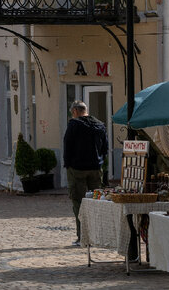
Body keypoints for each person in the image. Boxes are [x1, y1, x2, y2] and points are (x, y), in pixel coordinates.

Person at [63, 100, 107, 245]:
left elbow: (67, 145)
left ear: (75, 111)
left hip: (77, 169)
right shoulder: (99, 125)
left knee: (79, 202)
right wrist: (100, 161)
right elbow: (105, 147)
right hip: (95, 169)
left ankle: (82, 236)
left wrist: (68, 164)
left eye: (72, 112)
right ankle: (97, 236)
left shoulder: (74, 125)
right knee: (97, 202)